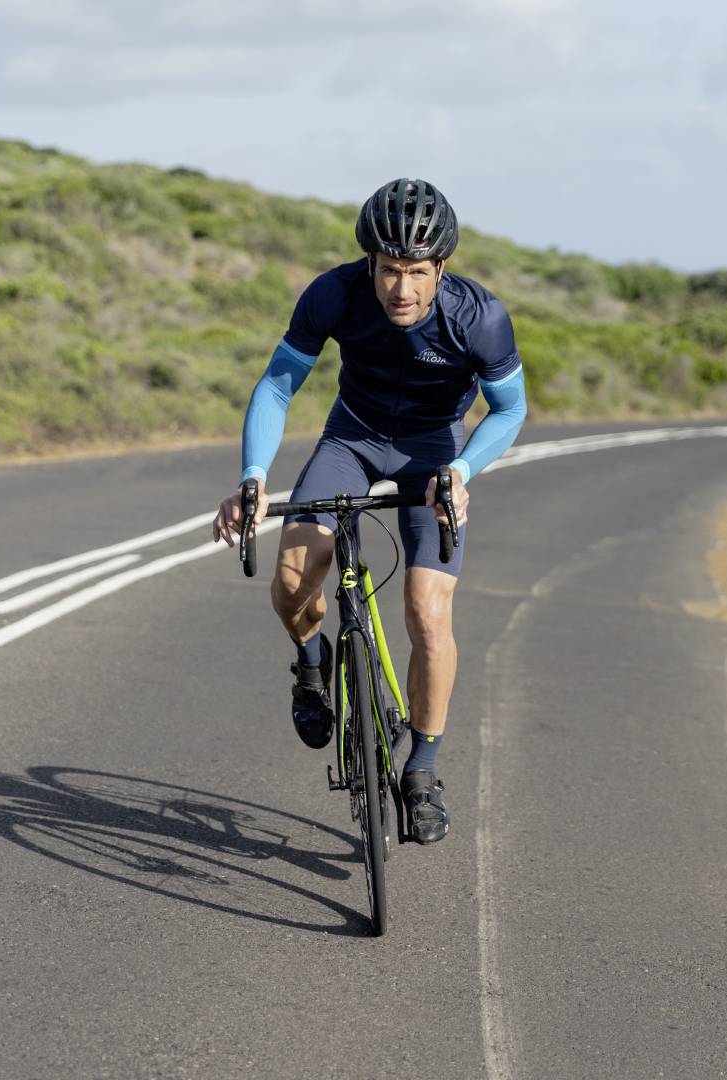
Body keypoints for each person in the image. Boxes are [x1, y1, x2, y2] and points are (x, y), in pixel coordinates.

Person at [212, 178, 528, 845]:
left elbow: (510, 409)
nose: (402, 289)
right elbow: (277, 384)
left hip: (432, 454)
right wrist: (252, 476)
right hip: (351, 441)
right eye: (389, 271)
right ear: (370, 265)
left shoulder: (480, 317)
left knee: (426, 612)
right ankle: (311, 661)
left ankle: (422, 770)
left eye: (417, 272)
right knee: (295, 578)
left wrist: (462, 471)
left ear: (442, 268)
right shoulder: (334, 294)